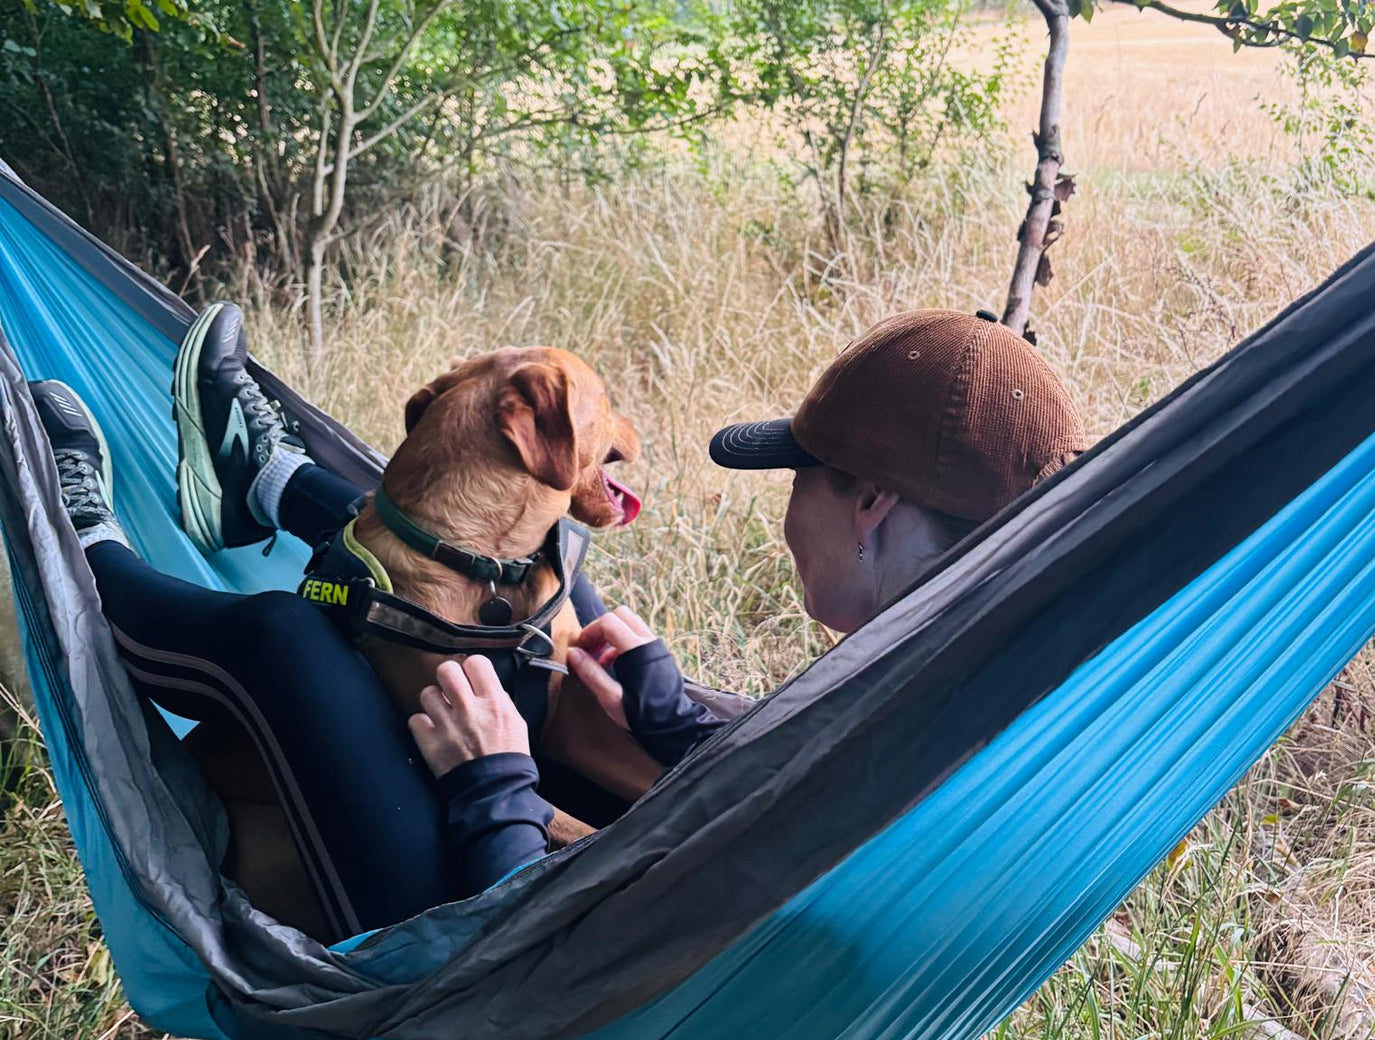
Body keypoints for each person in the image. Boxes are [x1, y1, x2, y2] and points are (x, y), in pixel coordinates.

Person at [32, 305, 1084, 939]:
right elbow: (768, 802)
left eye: (796, 476)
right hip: (589, 871)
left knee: (288, 644)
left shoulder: (922, 749)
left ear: (870, 507)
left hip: (502, 955)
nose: (782, 508)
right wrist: (678, 725)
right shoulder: (964, 678)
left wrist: (495, 786)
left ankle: (81, 545)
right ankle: (270, 481)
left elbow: (626, 926)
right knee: (528, 570)